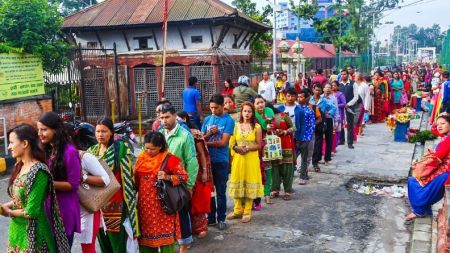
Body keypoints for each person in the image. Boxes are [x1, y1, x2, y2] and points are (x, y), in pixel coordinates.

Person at [1, 124, 70, 253]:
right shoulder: (20, 166)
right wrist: (5, 206)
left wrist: (8, 212)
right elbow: (19, 199)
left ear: (25, 143)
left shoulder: (39, 172)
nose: (9, 147)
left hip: (34, 235)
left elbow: (31, 212)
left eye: (11, 142)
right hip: (17, 232)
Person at [88, 117, 139, 253]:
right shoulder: (91, 152)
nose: (100, 134)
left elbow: (128, 179)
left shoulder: (121, 150)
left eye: (104, 131)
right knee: (103, 244)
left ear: (111, 132)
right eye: (98, 131)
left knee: (118, 245)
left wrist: (129, 207)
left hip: (115, 205)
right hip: (97, 206)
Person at [135, 131, 189, 253]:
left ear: (160, 147)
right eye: (146, 148)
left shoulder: (170, 159)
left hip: (163, 207)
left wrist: (168, 177)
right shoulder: (141, 158)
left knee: (166, 240)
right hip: (144, 208)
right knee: (145, 240)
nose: (148, 151)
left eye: (152, 149)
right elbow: (136, 181)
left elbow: (184, 176)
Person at [37, 112, 81, 248]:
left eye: (44, 129)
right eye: (38, 130)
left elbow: (73, 185)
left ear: (55, 130)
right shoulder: (47, 150)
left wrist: (47, 183)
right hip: (47, 210)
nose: (40, 133)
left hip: (64, 211)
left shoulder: (70, 152)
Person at [158, 104, 199, 252]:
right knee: (165, 213)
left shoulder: (184, 135)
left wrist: (189, 185)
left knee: (182, 215)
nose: (164, 120)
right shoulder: (160, 133)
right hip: (162, 182)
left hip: (179, 182)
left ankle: (184, 245)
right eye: (161, 117)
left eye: (167, 117)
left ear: (175, 116)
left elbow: (192, 161)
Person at [406, 113, 450, 221]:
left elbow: (435, 160)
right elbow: (434, 131)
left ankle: (419, 211)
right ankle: (425, 209)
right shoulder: (447, 137)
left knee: (414, 181)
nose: (439, 126)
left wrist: (418, 165)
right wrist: (439, 120)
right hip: (444, 169)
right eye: (438, 124)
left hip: (446, 173)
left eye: (443, 124)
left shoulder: (448, 141)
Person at [177, 111, 213, 238]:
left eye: (180, 119)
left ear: (185, 120)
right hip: (182, 170)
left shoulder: (194, 133)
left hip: (196, 170)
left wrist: (204, 171)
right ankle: (187, 229)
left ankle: (201, 227)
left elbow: (202, 154)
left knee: (198, 198)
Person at [201, 94, 235, 230]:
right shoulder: (208, 119)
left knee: (221, 191)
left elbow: (222, 143)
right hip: (208, 161)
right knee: (209, 191)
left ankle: (221, 218)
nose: (213, 110)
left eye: (216, 108)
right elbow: (200, 138)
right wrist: (209, 134)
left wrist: (205, 143)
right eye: (211, 108)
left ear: (222, 106)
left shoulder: (229, 121)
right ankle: (210, 218)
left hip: (221, 161)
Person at [72, 137, 111, 253]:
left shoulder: (84, 157)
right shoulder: (54, 156)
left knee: (87, 247)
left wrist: (83, 178)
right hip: (71, 208)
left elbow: (105, 180)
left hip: (88, 209)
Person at [227, 102, 263, 223]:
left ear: (253, 113)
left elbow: (259, 145)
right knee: (237, 182)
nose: (247, 114)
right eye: (245, 111)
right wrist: (236, 149)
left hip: (251, 159)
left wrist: (247, 148)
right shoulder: (236, 126)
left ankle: (247, 211)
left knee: (249, 183)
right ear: (241, 112)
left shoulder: (256, 127)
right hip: (238, 158)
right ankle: (237, 210)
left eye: (249, 111)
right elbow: (231, 143)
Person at [267, 101, 296, 200]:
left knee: (287, 168)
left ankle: (288, 191)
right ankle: (275, 189)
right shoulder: (264, 119)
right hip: (273, 146)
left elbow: (293, 127)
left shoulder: (283, 116)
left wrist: (285, 131)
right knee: (275, 168)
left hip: (285, 145)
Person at [310, 84, 336, 170]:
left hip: (322, 122)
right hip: (312, 122)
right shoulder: (309, 100)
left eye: (319, 90)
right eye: (316, 90)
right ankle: (315, 160)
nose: (317, 92)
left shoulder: (324, 101)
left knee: (324, 140)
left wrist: (329, 113)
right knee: (316, 142)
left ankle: (323, 158)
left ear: (321, 91)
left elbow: (334, 107)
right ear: (313, 90)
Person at [254, 96, 275, 205]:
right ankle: (256, 196)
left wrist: (271, 126)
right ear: (254, 105)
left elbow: (274, 125)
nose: (260, 105)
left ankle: (267, 194)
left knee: (268, 169)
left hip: (267, 145)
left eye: (262, 102)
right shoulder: (252, 115)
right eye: (257, 103)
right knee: (256, 170)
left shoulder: (269, 112)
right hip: (256, 147)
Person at [295, 89, 316, 185]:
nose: (299, 98)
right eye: (298, 97)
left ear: (307, 98)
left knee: (304, 158)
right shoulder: (295, 108)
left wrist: (307, 137)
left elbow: (312, 125)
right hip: (295, 137)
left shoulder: (309, 110)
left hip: (305, 138)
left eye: (301, 97)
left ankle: (302, 176)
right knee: (293, 157)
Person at [339, 69, 361, 149]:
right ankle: (341, 140)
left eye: (344, 74)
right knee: (340, 123)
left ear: (348, 75)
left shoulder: (353, 84)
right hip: (340, 107)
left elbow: (356, 97)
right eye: (342, 74)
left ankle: (350, 142)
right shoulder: (339, 84)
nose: (343, 76)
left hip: (350, 106)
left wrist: (348, 104)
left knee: (350, 125)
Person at [322, 83, 339, 164]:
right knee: (320, 139)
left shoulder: (334, 99)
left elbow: (336, 111)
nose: (328, 89)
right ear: (323, 89)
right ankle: (319, 155)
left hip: (329, 120)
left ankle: (327, 158)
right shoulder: (320, 97)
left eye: (329, 88)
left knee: (329, 139)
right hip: (320, 120)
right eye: (326, 87)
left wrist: (336, 121)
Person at [331, 81, 346, 147]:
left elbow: (344, 104)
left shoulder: (340, 94)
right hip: (331, 114)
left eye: (334, 85)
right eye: (332, 85)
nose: (333, 87)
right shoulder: (330, 95)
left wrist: (336, 105)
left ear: (337, 87)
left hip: (339, 113)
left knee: (338, 127)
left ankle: (338, 141)